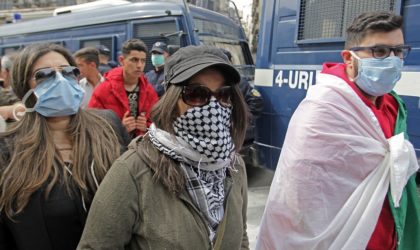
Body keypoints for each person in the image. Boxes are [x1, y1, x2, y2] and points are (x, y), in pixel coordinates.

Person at [256, 12, 420, 250]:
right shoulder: (323, 108)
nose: (393, 60)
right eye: (380, 52)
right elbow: (298, 198)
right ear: (349, 58)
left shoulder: (394, 106)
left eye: (399, 51)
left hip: (389, 237)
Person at [77, 45, 250, 250]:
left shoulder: (234, 165)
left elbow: (241, 238)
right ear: (172, 100)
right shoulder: (133, 171)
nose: (212, 106)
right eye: (196, 94)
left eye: (223, 94)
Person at [0, 43, 130, 250]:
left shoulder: (108, 125)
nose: (61, 81)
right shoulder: (7, 150)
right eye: (44, 75)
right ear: (24, 87)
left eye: (69, 72)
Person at [89, 39, 158, 138]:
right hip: (114, 149)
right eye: (134, 60)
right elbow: (92, 126)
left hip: (141, 149)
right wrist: (120, 129)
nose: (139, 65)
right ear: (121, 60)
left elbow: (159, 124)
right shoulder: (103, 90)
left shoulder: (149, 91)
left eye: (143, 61)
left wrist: (147, 127)